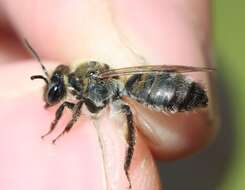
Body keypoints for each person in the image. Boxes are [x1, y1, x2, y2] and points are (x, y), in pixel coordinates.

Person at [0, 0, 217, 189]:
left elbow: (76, 107)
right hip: (140, 84)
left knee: (115, 114)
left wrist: (59, 133)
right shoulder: (84, 81)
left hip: (155, 89)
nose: (53, 98)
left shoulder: (82, 87)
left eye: (54, 93)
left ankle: (125, 168)